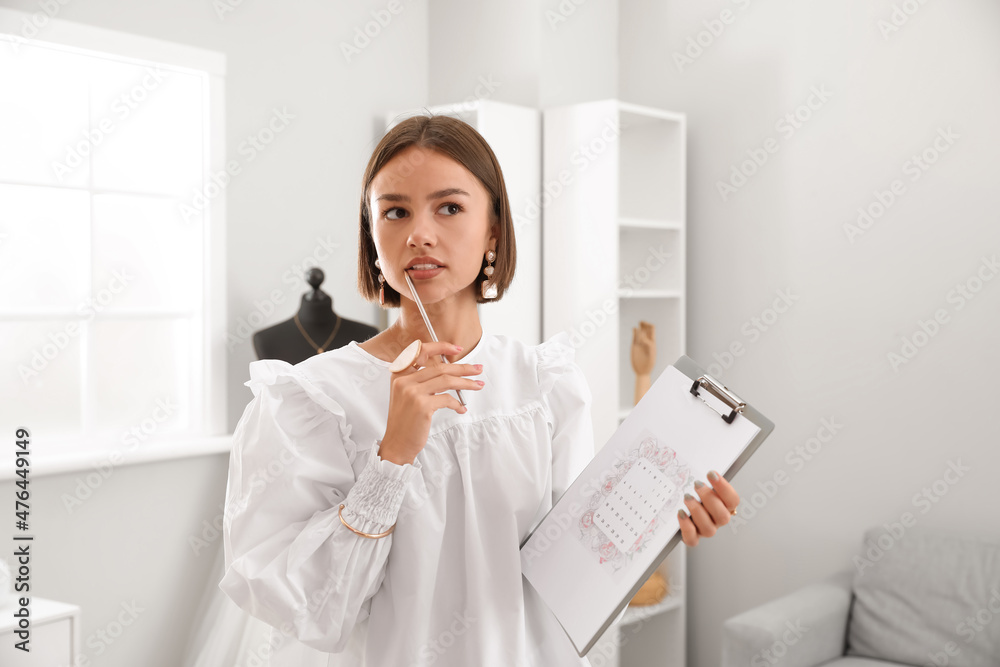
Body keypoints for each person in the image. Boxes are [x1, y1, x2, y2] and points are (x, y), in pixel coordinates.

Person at [219, 114, 742, 667]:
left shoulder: (545, 384)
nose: (419, 232)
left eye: (449, 207)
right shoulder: (310, 400)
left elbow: (571, 572)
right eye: (395, 211)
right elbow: (306, 608)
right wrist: (393, 456)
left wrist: (661, 524)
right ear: (372, 236)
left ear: (493, 228)